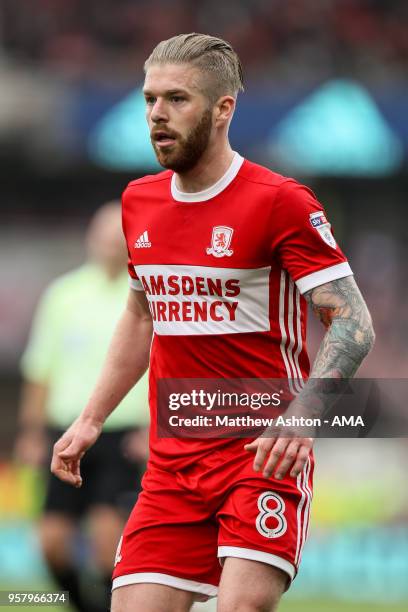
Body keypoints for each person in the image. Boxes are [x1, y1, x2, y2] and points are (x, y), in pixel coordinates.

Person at [50, 34, 375, 612]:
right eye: (150, 99)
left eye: (177, 99)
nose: (156, 114)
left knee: (239, 608)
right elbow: (141, 314)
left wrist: (304, 415)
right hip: (172, 465)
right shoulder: (138, 202)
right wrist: (91, 419)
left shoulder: (280, 201)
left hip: (260, 454)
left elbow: (353, 322)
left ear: (224, 109)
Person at [16, 203, 149, 612]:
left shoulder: (146, 298)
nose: (110, 244)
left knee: (108, 545)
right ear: (90, 239)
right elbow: (40, 368)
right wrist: (33, 432)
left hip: (123, 435)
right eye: (104, 235)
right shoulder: (63, 294)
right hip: (66, 432)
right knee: (52, 543)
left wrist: (155, 427)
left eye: (118, 237)